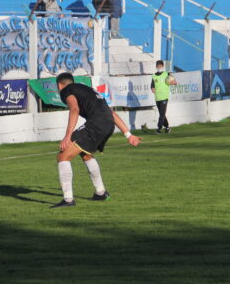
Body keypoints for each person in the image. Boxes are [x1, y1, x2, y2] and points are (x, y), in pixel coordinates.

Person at [53, 72, 141, 208]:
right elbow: (111, 113)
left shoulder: (66, 90)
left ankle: (68, 200)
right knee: (86, 153)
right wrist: (128, 135)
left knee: (63, 156)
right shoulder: (88, 90)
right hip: (108, 124)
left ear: (59, 85)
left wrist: (67, 136)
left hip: (97, 123)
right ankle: (100, 193)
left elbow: (74, 109)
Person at [151, 60, 177, 134]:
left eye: (160, 66)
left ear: (163, 66)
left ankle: (159, 129)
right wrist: (152, 88)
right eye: (157, 66)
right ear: (156, 67)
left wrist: (173, 82)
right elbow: (152, 85)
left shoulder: (167, 74)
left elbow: (174, 82)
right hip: (157, 98)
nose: (159, 67)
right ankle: (167, 128)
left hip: (164, 97)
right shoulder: (154, 76)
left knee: (162, 114)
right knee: (162, 114)